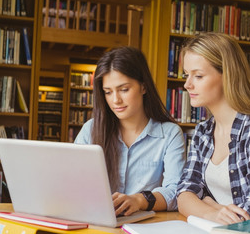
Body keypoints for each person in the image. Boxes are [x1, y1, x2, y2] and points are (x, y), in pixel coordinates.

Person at [177, 32, 250, 225]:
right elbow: (183, 195)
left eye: (198, 76)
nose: (187, 84)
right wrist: (214, 213)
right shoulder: (203, 132)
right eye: (186, 75)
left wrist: (206, 202)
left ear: (227, 75)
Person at [75, 46, 185, 215]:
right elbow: (73, 180)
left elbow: (176, 191)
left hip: (145, 227)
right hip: (96, 220)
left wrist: (139, 200)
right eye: (108, 92)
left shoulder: (169, 134)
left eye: (124, 90)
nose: (115, 100)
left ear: (144, 87)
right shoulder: (91, 129)